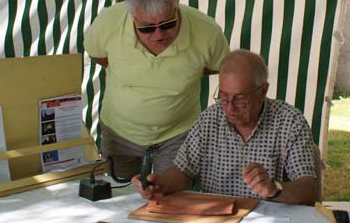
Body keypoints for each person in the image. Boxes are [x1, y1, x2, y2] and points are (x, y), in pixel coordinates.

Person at [84, 0, 229, 179]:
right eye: (147, 28)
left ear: (176, 6)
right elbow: (97, 55)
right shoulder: (108, 22)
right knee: (119, 200)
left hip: (178, 134)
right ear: (131, 15)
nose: (159, 35)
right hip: (119, 133)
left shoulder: (207, 32)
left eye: (168, 24)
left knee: (171, 201)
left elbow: (217, 66)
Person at [132, 49, 318, 205]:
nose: (229, 107)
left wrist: (274, 188)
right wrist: (159, 184)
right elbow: (183, 171)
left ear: (263, 91)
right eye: (223, 96)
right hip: (216, 219)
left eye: (240, 99)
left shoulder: (289, 121)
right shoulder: (210, 119)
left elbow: (309, 189)